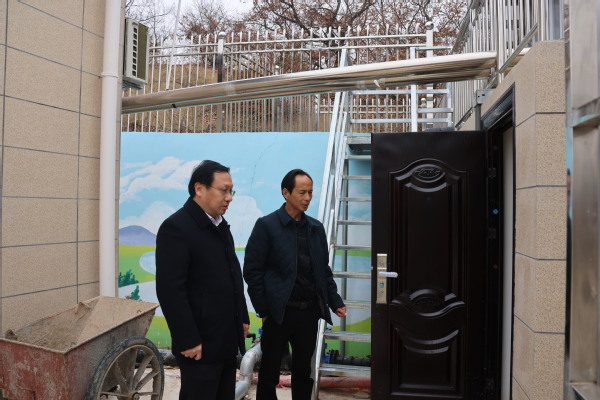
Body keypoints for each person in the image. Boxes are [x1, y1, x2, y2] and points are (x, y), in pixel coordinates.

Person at [243, 168, 347, 400]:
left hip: (308, 313)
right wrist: (264, 309)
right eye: (302, 192)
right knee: (269, 372)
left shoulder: (315, 228)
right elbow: (252, 271)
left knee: (303, 371)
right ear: (286, 193)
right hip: (278, 313)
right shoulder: (267, 225)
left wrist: (334, 300)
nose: (307, 198)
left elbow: (323, 271)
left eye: (310, 192)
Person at [156, 160, 249, 400]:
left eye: (231, 191)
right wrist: (187, 339)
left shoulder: (220, 225)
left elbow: (233, 275)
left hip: (226, 339)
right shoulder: (176, 228)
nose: (229, 198)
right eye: (223, 190)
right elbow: (170, 290)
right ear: (199, 188)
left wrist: (242, 317)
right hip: (199, 344)